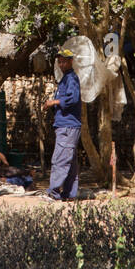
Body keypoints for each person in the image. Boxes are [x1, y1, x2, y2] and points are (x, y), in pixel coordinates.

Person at [43, 47, 82, 201]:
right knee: (70, 161)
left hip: (68, 125)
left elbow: (73, 98)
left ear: (71, 61)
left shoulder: (71, 78)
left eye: (64, 61)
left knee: (60, 159)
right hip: (67, 125)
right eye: (59, 61)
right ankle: (69, 194)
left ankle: (53, 193)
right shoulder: (65, 78)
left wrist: (54, 102)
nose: (61, 64)